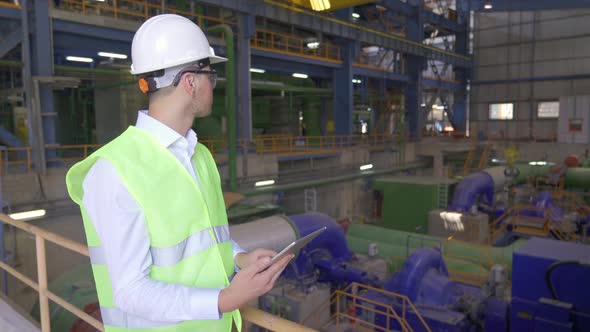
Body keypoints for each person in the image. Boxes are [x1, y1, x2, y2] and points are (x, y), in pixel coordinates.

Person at [66, 14, 292, 332]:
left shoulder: (199, 157)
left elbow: (207, 244)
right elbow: (130, 290)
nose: (212, 86)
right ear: (190, 82)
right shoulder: (114, 171)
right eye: (209, 77)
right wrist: (224, 300)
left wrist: (241, 259)